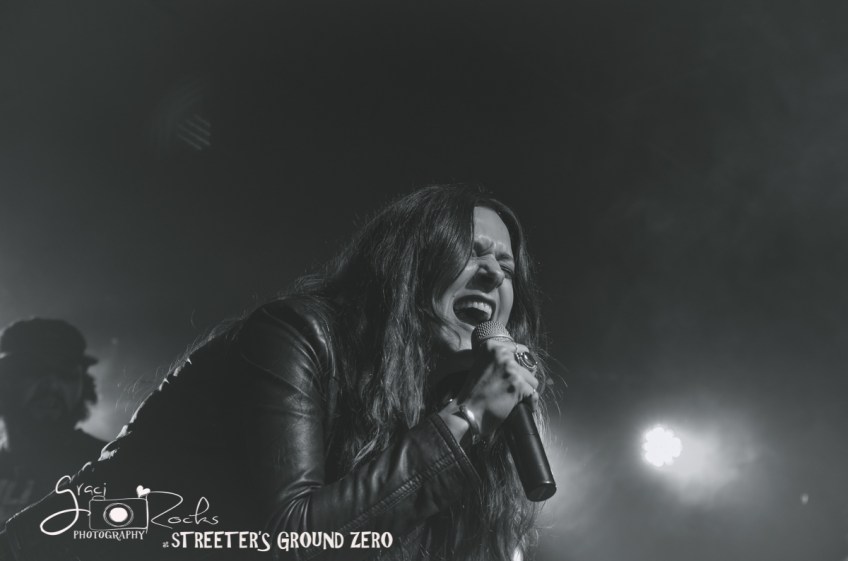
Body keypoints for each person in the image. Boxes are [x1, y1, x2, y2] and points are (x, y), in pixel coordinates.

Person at [0, 185, 550, 561]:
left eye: (506, 268)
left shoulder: (439, 407)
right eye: (472, 253)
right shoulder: (298, 335)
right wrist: (470, 415)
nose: (493, 275)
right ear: (410, 265)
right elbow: (292, 540)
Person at [0, 319, 106, 526]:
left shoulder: (107, 467)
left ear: (84, 386)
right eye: (33, 370)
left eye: (66, 374)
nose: (52, 385)